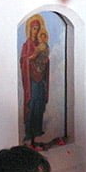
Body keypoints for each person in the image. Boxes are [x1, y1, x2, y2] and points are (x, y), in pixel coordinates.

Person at [20, 15, 50, 148]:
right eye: (34, 29)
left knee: (39, 104)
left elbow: (45, 60)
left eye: (38, 29)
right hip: (31, 81)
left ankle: (37, 130)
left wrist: (44, 60)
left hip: (40, 80)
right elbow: (24, 60)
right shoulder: (27, 45)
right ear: (30, 29)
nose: (36, 31)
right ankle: (28, 132)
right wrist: (33, 56)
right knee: (31, 104)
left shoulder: (41, 44)